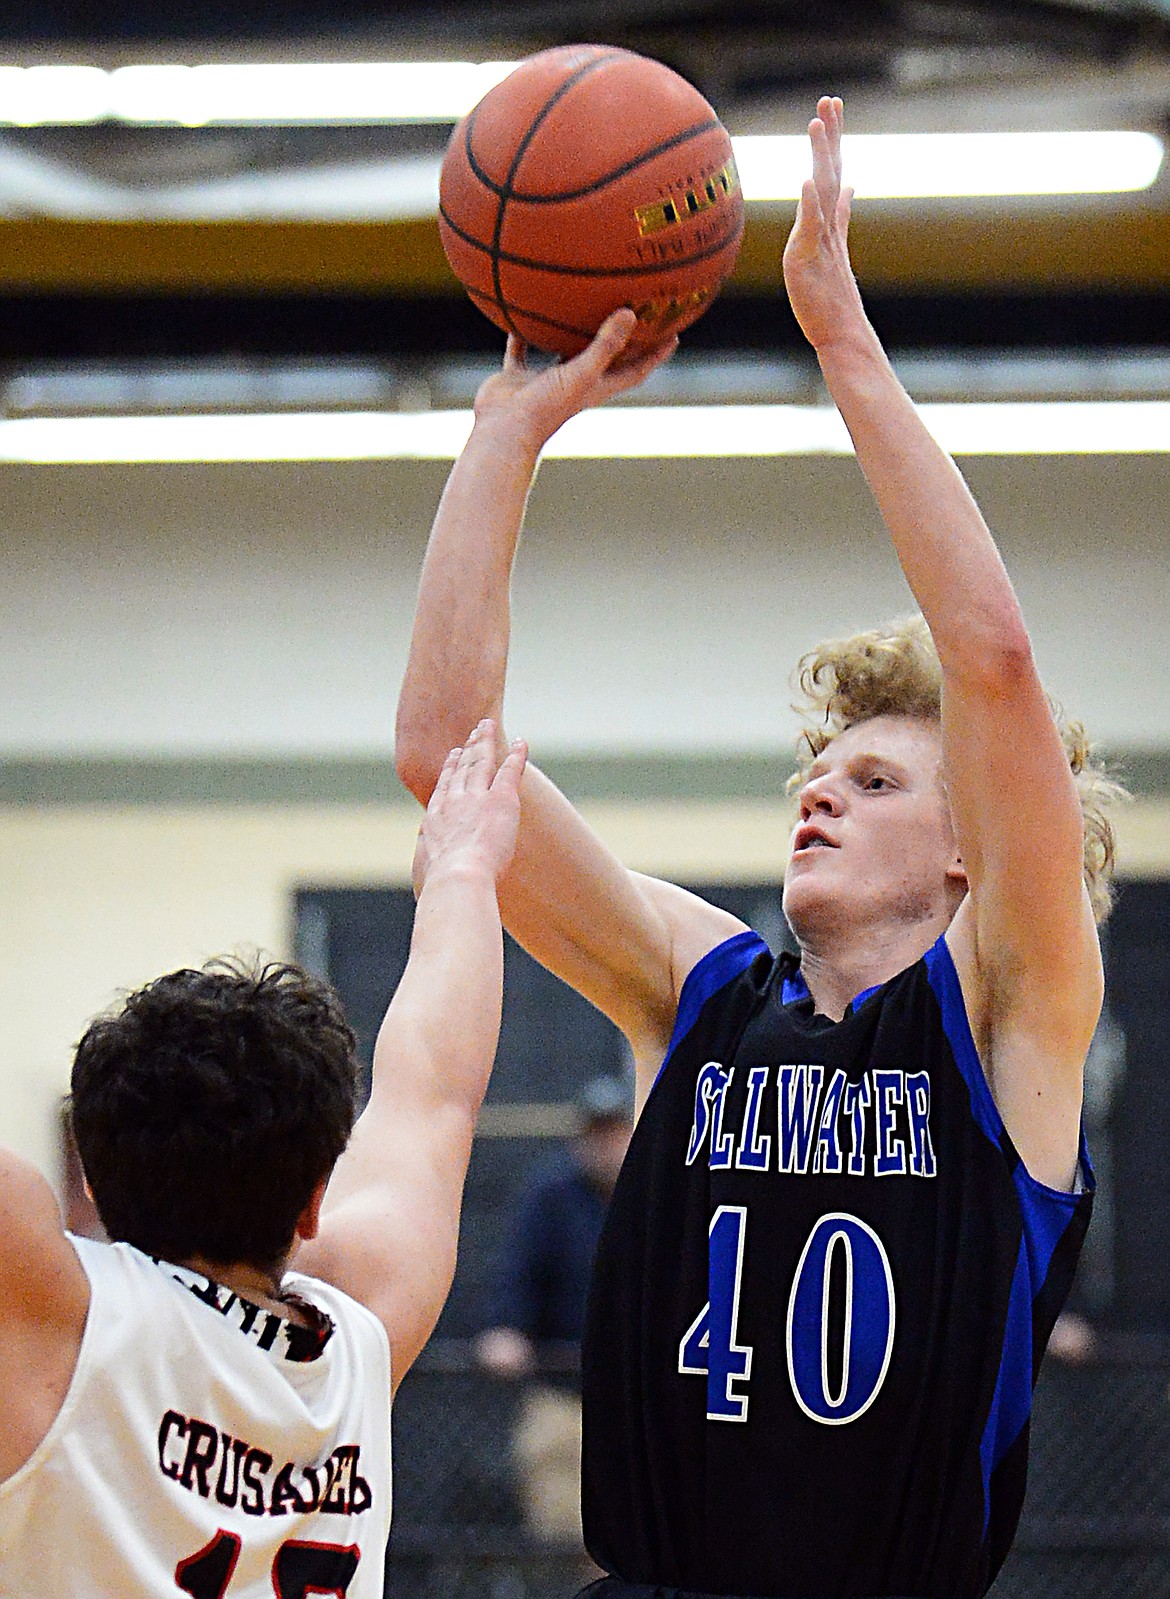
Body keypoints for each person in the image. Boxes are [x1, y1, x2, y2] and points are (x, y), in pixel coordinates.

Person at [395, 96, 1123, 1599]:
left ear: (970, 855)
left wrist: (841, 340)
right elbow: (440, 754)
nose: (818, 791)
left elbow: (990, 658)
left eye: (870, 777)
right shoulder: (701, 991)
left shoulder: (1004, 1018)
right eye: (813, 769)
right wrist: (505, 434)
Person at [0, 721, 525, 1597]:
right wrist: (465, 872)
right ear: (316, 1199)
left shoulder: (53, 1317)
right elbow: (434, 1091)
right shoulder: (362, 1330)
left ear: (88, 1176)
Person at [476, 1075, 633, 1543]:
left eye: (616, 1132)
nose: (606, 1145)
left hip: (639, 1403)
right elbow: (519, 1273)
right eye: (597, 1134)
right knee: (564, 1534)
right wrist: (507, 1329)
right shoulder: (551, 1196)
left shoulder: (656, 1193)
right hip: (563, 1395)